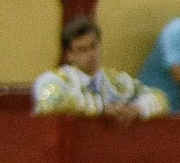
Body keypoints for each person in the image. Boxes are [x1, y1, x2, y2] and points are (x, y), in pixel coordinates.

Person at [34, 16, 168, 121]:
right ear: (70, 55)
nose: (90, 54)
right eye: (82, 49)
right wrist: (101, 108)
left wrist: (137, 108)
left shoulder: (117, 82)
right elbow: (51, 103)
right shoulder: (55, 80)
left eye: (93, 46)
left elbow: (160, 97)